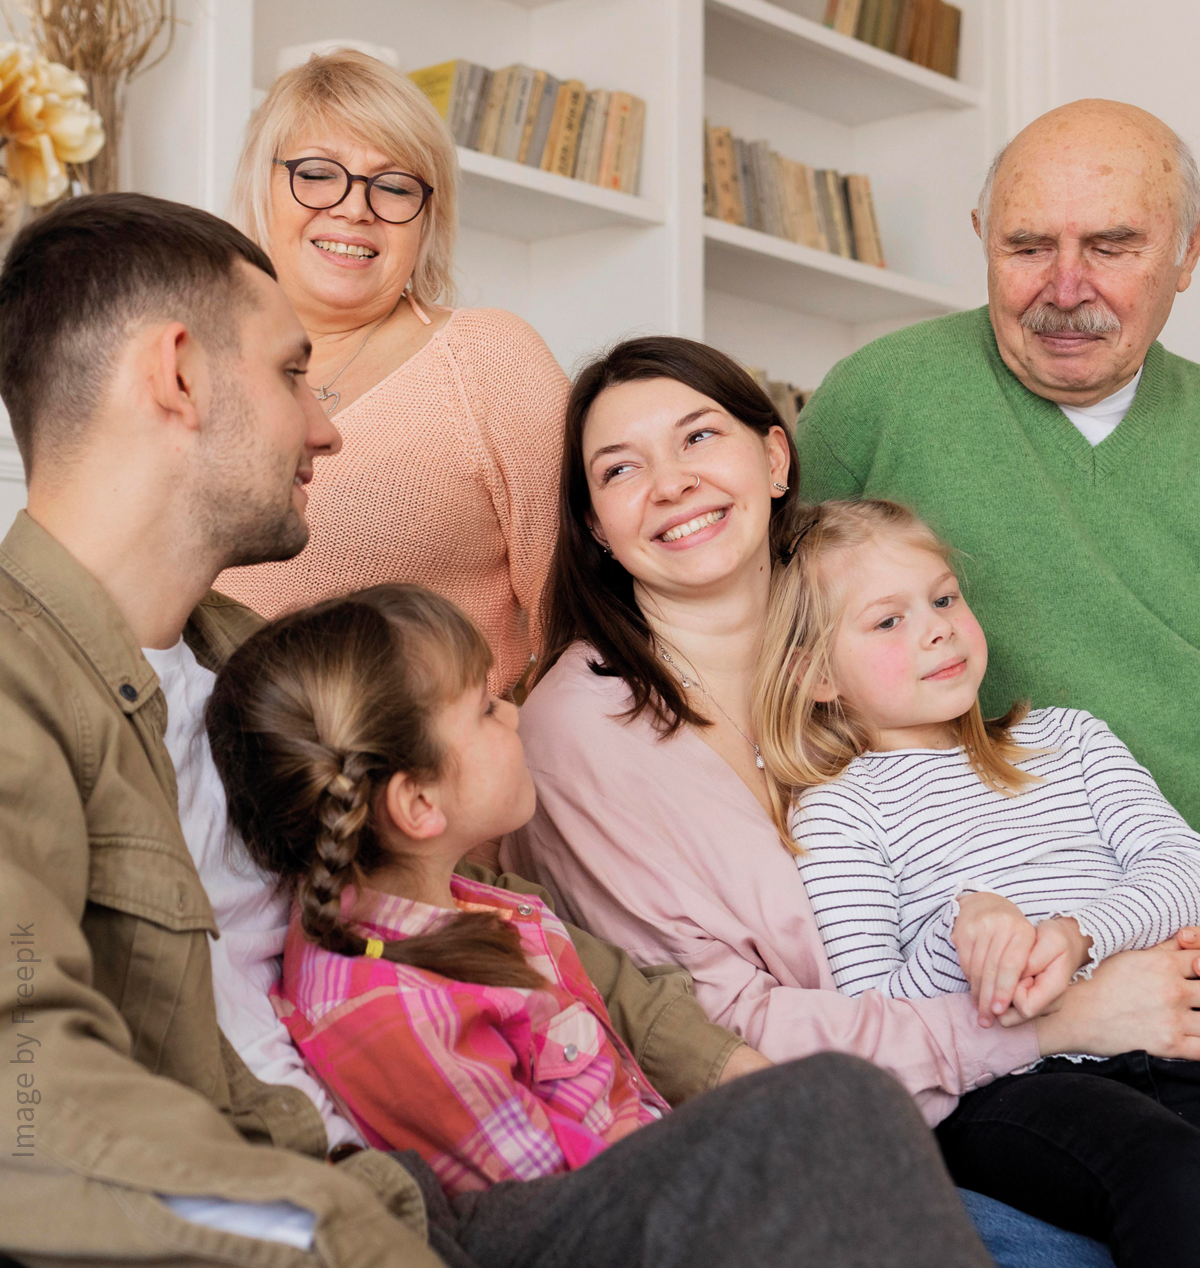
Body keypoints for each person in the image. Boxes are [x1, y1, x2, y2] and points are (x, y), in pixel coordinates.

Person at [0, 193, 993, 1268]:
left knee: (831, 1118)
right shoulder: (22, 687)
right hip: (340, 1222)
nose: (328, 425)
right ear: (181, 375)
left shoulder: (251, 664)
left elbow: (497, 918)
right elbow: (26, 1112)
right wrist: (359, 1242)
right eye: (296, 373)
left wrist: (733, 1078)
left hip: (453, 1189)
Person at [503, 334, 1200, 1266]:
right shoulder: (579, 737)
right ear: (594, 524)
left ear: (776, 455)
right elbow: (716, 1037)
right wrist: (1056, 1017)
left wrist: (1089, 944)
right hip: (853, 1123)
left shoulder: (885, 666)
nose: (670, 483)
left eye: (699, 438)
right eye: (622, 468)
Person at [760, 495, 1200, 1266]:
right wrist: (964, 931)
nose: (936, 626)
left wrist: (1074, 935)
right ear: (817, 673)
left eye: (942, 598)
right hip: (1015, 1087)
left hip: (1169, 1029)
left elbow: (1183, 864)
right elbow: (875, 1018)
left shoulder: (1069, 737)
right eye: (887, 620)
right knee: (1169, 1173)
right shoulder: (838, 812)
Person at [795, 98, 1200, 825]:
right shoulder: (876, 394)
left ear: (1187, 254)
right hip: (959, 879)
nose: (1067, 288)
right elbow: (770, 651)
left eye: (1112, 248)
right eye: (1027, 247)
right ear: (983, 239)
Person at [208, 583, 673, 1191]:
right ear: (419, 802)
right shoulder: (405, 1018)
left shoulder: (459, 904)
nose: (512, 711)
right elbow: (579, 1205)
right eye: (485, 707)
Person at [218, 49, 568, 696]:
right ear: (259, 186)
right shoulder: (203, 363)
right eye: (318, 174)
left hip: (424, 783)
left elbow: (580, 630)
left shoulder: (491, 360)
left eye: (396, 186)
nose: (356, 208)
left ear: (429, 216)